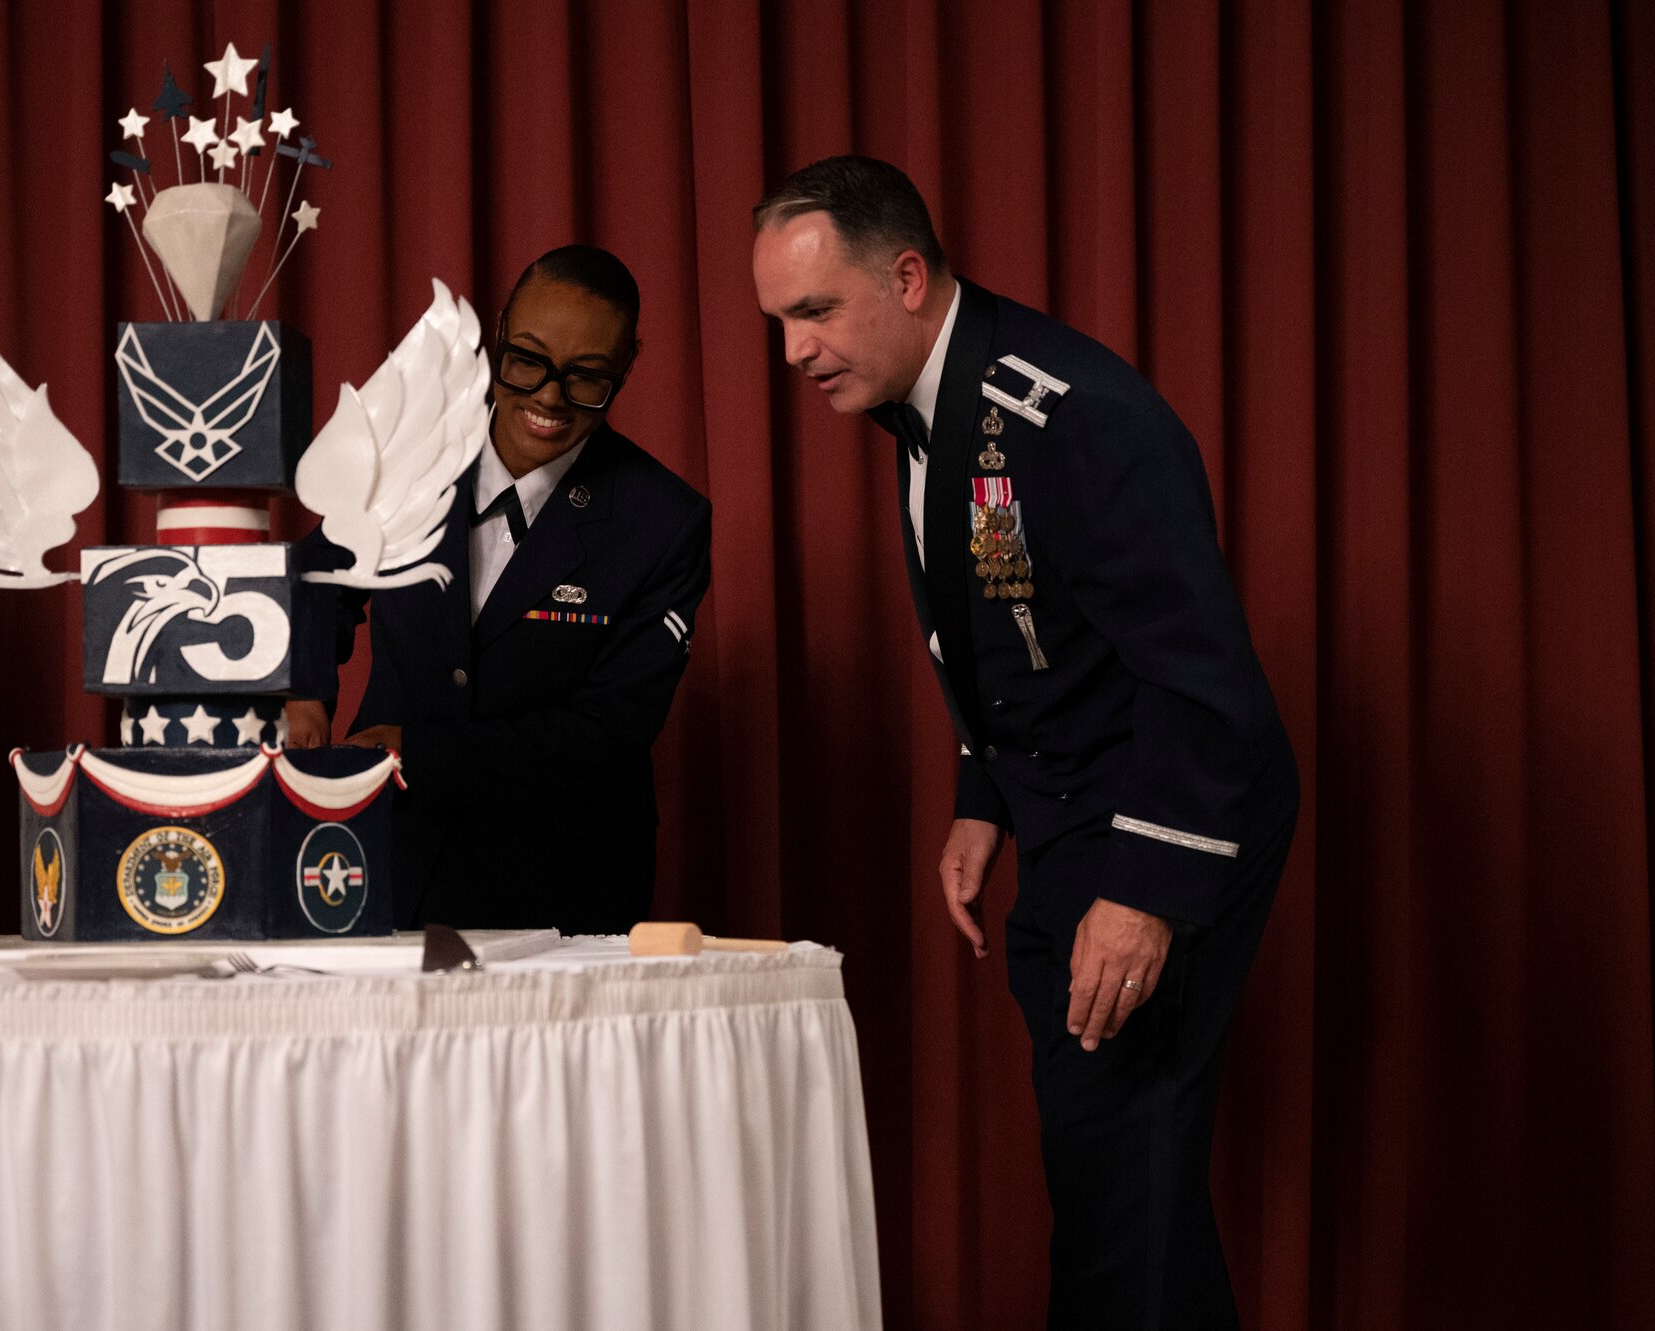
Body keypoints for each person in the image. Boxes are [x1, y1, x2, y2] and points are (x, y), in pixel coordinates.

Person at [751, 156, 1298, 1326]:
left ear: (905, 276)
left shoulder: (1071, 416)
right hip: (1061, 807)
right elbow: (1011, 614)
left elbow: (1206, 683)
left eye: (812, 311)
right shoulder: (931, 397)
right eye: (778, 321)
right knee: (1121, 1188)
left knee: (1117, 1189)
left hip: (1163, 811)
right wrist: (980, 789)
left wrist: (1141, 890)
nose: (790, 351)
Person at [287, 245, 711, 936]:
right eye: (528, 361)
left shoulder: (663, 520)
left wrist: (416, 753)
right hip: (385, 864)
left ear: (628, 366)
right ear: (502, 328)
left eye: (587, 378)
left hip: (560, 890)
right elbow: (313, 578)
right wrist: (305, 687)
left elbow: (609, 734)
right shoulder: (409, 456)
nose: (548, 397)